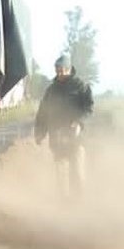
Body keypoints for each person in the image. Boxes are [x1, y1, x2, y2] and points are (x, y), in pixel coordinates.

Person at [34, 55, 94, 196]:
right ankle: (63, 200)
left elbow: (89, 109)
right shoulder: (51, 90)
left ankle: (79, 199)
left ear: (69, 70)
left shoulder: (81, 87)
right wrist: (40, 133)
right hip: (57, 137)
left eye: (62, 70)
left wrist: (79, 122)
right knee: (60, 171)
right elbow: (43, 113)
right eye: (57, 71)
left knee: (77, 170)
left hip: (76, 136)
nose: (59, 74)